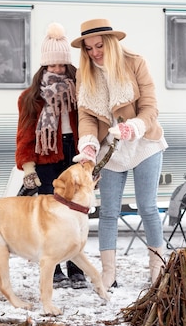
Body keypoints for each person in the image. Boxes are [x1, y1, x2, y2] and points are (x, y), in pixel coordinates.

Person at [70, 18, 168, 290]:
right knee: (108, 211)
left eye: (99, 46)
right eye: (88, 48)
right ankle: (108, 273)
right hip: (110, 149)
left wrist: (133, 126)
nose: (94, 52)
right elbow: (86, 115)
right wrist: (88, 144)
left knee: (147, 206)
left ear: (111, 42)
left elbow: (150, 108)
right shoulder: (85, 72)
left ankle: (157, 269)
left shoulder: (135, 63)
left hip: (143, 142)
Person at [15, 22, 87, 290]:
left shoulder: (81, 90)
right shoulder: (30, 97)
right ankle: (54, 267)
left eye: (62, 65)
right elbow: (24, 135)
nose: (58, 70)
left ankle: (76, 266)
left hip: (75, 154)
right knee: (51, 214)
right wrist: (28, 168)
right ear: (44, 67)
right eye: (52, 65)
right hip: (46, 157)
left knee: (77, 210)